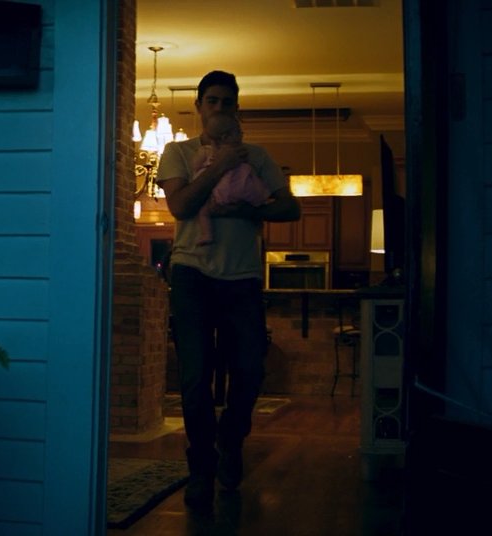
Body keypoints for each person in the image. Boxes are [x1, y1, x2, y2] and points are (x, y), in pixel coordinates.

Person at [154, 70, 301, 507]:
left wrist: (245, 209)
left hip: (243, 279)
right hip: (191, 275)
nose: (220, 108)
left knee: (250, 370)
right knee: (195, 377)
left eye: (227, 101)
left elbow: (290, 208)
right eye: (212, 101)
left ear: (237, 107)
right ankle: (201, 468)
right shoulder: (177, 152)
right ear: (199, 107)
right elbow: (181, 206)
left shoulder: (258, 156)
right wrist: (220, 165)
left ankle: (231, 441)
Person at [190, 113, 272, 246]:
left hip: (221, 188)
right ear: (225, 137)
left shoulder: (206, 150)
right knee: (256, 206)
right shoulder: (243, 150)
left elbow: (195, 167)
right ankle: (258, 229)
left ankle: (207, 233)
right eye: (238, 132)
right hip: (242, 184)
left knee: (203, 210)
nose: (242, 134)